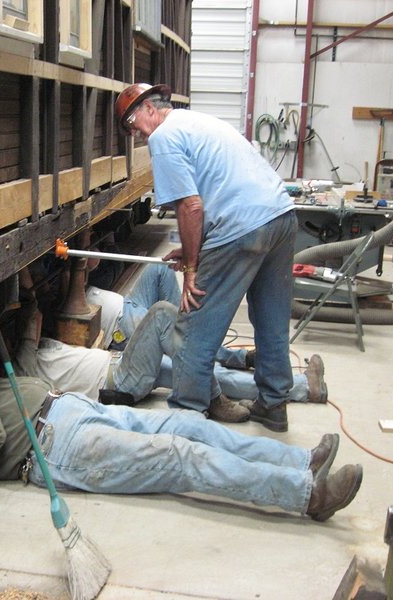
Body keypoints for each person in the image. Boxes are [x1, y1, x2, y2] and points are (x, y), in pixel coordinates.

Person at [0, 355, 363, 522]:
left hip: (72, 409)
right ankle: (308, 496)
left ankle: (300, 461)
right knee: (180, 456)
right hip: (55, 450)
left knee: (188, 424)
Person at [115, 83, 298, 432]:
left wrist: (192, 268)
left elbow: (191, 205)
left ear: (149, 109)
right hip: (280, 217)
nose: (136, 134)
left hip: (240, 227)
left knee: (192, 329)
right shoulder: (196, 121)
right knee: (271, 319)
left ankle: (188, 415)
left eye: (132, 123)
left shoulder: (163, 137)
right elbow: (218, 187)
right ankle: (274, 405)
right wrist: (190, 246)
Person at [13, 294, 327, 409]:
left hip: (121, 367)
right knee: (163, 314)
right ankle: (215, 391)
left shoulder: (35, 351)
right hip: (119, 383)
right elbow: (33, 317)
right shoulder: (20, 370)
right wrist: (26, 292)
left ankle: (304, 389)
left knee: (203, 371)